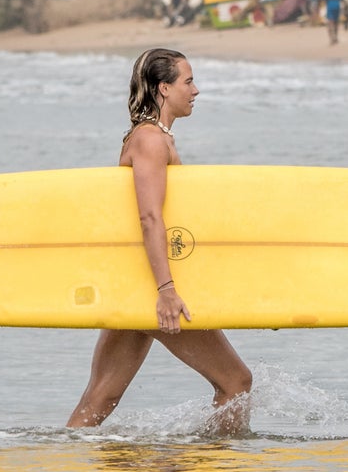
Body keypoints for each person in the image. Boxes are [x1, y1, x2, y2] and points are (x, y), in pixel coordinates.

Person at [67, 48, 252, 433]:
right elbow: (150, 218)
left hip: (137, 283)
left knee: (99, 399)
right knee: (236, 382)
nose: (196, 90)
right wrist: (166, 290)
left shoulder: (154, 138)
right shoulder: (151, 141)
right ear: (164, 88)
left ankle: (64, 464)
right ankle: (219, 468)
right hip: (154, 287)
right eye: (188, 81)